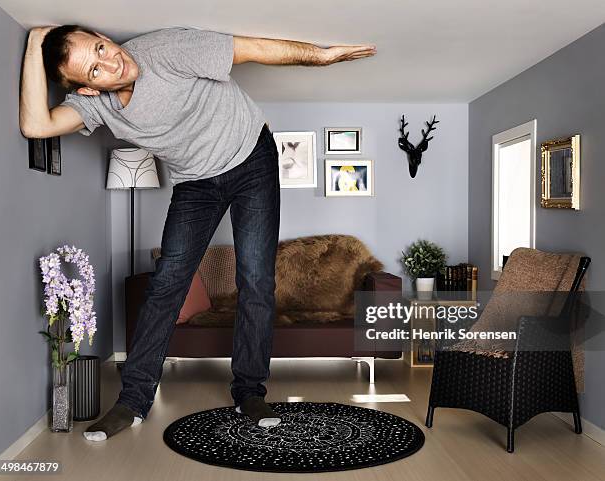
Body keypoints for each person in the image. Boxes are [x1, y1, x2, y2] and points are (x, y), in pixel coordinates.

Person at [20, 24, 376, 441]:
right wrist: (32, 44)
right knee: (166, 283)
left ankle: (249, 392)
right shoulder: (99, 108)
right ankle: (132, 401)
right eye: (95, 70)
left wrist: (321, 55)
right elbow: (35, 126)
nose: (111, 61)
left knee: (257, 279)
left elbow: (254, 47)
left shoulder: (166, 50)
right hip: (195, 183)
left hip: (251, 158)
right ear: (87, 90)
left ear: (104, 36)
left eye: (101, 46)